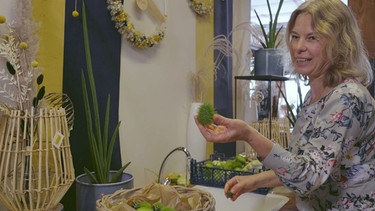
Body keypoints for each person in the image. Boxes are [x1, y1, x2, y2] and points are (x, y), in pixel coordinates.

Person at [195, 0, 375, 210]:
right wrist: (255, 181)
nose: (298, 47)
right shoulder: (314, 97)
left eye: (312, 37)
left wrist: (248, 134)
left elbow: (308, 177)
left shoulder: (347, 97)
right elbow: (302, 164)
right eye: (295, 37)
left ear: (339, 43)